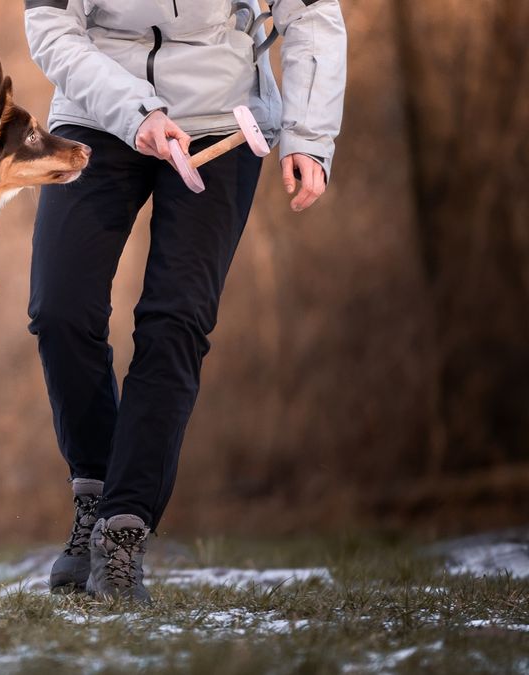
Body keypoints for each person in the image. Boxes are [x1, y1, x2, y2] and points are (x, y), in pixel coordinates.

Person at [23, 0, 346, 600]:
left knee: (175, 321)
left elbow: (312, 14)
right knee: (59, 308)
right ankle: (93, 498)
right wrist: (136, 110)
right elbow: (51, 25)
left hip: (224, 117)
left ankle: (121, 534)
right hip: (98, 109)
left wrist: (309, 135)